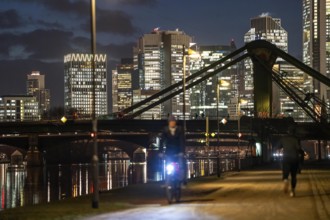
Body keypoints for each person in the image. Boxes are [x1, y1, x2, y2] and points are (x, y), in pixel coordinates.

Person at [159, 115, 186, 184]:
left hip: (178, 151)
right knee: (166, 166)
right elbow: (162, 141)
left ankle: (182, 180)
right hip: (169, 152)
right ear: (169, 123)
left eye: (173, 121)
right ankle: (166, 182)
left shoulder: (179, 130)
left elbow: (182, 141)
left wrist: (182, 152)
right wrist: (160, 152)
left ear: (175, 122)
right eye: (171, 122)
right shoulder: (165, 130)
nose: (172, 123)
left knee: (181, 164)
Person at [278, 125, 302, 197]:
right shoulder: (296, 139)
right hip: (294, 159)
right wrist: (301, 153)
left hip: (286, 158)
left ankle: (285, 180)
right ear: (294, 132)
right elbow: (299, 148)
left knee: (285, 173)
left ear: (287, 132)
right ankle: (292, 191)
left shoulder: (283, 139)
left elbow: (278, 147)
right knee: (294, 176)